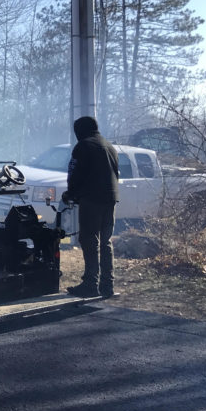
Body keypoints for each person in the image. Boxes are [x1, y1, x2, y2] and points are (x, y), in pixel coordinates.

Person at [62, 116, 120, 298]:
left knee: (89, 240)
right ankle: (107, 286)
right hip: (110, 198)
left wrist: (70, 194)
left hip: (92, 199)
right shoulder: (109, 146)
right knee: (106, 242)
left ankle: (90, 284)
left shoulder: (84, 145)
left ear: (80, 130)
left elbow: (75, 173)